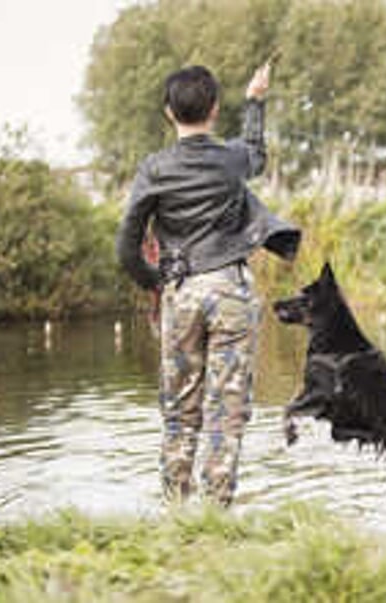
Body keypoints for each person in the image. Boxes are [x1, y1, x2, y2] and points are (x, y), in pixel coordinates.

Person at [116, 62, 300, 506]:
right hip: (232, 291)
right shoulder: (231, 159)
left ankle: (175, 510)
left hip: (181, 293)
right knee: (227, 410)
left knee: (180, 411)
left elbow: (126, 246)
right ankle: (216, 511)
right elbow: (256, 150)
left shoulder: (154, 169)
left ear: (168, 112)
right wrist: (256, 99)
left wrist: (158, 282)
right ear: (215, 110)